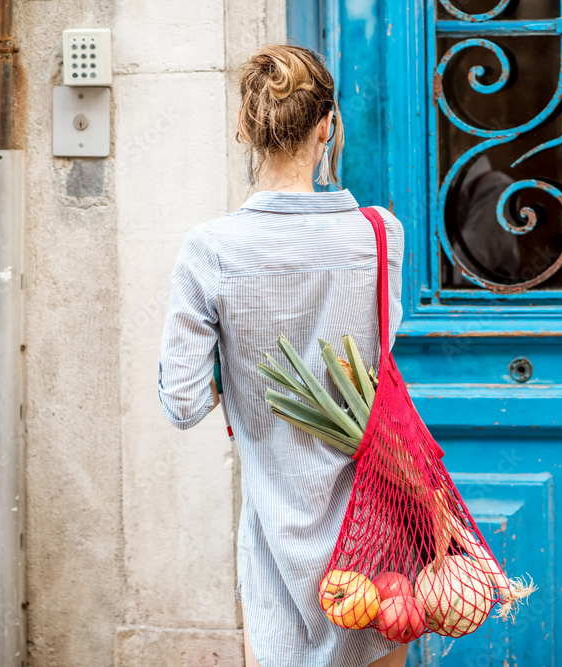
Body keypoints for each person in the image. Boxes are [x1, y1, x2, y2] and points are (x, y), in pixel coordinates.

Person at [156, 44, 407, 667]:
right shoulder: (381, 234)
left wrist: (234, 373)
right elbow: (375, 367)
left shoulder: (209, 251)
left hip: (276, 556)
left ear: (244, 125)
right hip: (374, 544)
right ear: (328, 126)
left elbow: (183, 404)